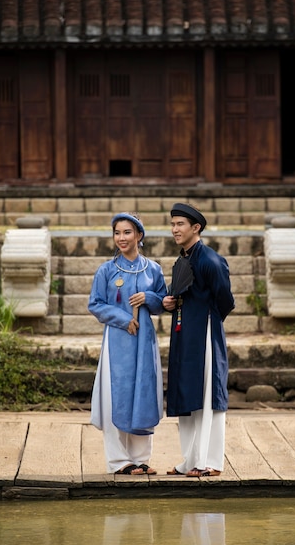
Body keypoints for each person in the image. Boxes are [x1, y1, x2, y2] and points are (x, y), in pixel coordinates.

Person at [88, 212, 167, 475]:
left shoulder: (153, 269)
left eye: (127, 233)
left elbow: (164, 303)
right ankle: (119, 460)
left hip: (144, 341)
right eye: (117, 233)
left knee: (143, 392)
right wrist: (123, 319)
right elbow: (96, 304)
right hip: (118, 342)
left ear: (139, 236)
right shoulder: (107, 270)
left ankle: (141, 458)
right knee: (116, 395)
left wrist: (148, 297)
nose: (121, 238)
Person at [162, 203, 235, 477]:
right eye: (172, 224)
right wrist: (168, 302)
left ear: (196, 228)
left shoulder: (211, 261)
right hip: (184, 335)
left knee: (207, 395)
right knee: (187, 393)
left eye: (180, 224)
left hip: (204, 334)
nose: (175, 229)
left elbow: (225, 301)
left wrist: (207, 323)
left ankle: (210, 462)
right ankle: (190, 459)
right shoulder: (182, 260)